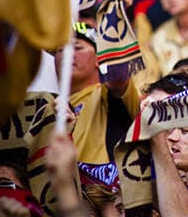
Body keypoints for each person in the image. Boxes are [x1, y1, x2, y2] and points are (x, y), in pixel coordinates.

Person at [53, 22, 140, 176]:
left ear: (99, 59)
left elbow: (119, 78)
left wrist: (114, 17)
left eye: (77, 47)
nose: (67, 53)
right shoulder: (47, 105)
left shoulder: (106, 94)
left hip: (103, 193)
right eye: (60, 49)